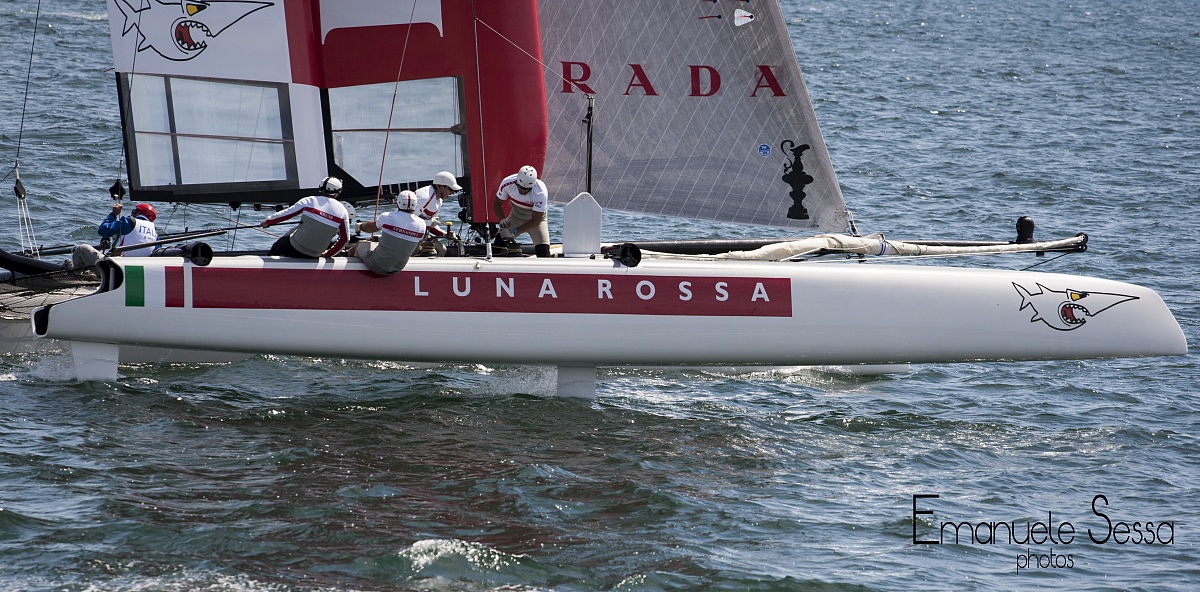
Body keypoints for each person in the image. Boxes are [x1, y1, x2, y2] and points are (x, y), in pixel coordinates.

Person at [260, 176, 350, 259]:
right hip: (316, 254)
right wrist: (328, 254)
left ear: (320, 188)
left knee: (279, 244)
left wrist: (268, 222)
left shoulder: (309, 201)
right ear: (338, 192)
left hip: (295, 248)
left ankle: (266, 268)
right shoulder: (343, 211)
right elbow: (345, 238)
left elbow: (286, 214)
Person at [352, 190, 427, 276]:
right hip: (397, 269)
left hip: (376, 266)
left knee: (359, 244)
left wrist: (359, 226)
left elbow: (370, 228)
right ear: (415, 205)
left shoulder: (388, 217)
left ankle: (349, 272)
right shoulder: (422, 224)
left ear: (398, 203)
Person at [71, 202, 158, 269]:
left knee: (81, 249)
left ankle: (78, 275)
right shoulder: (154, 233)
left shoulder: (128, 221)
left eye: (134, 211)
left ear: (138, 212)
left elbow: (103, 230)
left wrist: (113, 214)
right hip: (135, 269)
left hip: (114, 267)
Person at [492, 165, 550, 257]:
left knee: (543, 252)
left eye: (526, 189)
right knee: (497, 247)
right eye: (520, 187)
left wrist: (514, 232)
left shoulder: (540, 192)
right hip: (516, 217)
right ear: (516, 182)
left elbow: (536, 220)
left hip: (536, 221)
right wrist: (502, 219)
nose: (522, 191)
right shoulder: (507, 183)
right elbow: (497, 204)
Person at [411, 171, 461, 255]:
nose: (452, 193)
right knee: (428, 251)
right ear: (442, 187)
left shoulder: (439, 201)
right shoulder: (424, 197)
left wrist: (445, 234)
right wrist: (429, 222)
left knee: (442, 250)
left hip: (419, 233)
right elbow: (410, 220)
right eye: (451, 190)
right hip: (409, 233)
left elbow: (431, 226)